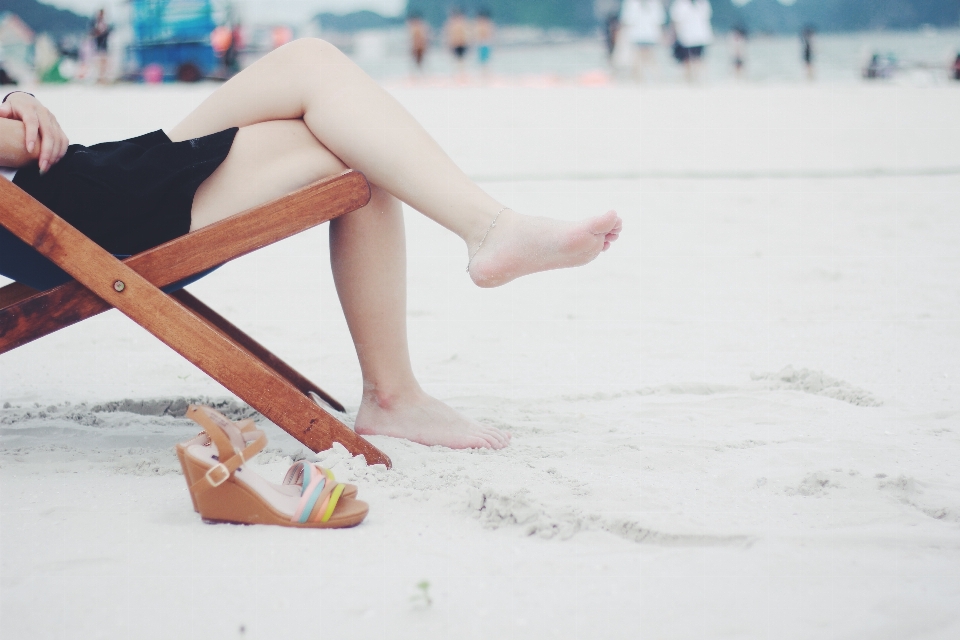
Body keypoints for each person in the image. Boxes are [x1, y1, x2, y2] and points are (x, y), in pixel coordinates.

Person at [0, 40, 622, 451]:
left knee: (313, 65)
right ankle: (401, 381)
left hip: (86, 186)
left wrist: (15, 97)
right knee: (357, 149)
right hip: (74, 213)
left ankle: (483, 243)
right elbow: (23, 148)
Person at [619, 0, 666, 82]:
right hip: (639, 35)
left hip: (647, 35)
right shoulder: (632, 3)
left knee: (642, 59)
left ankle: (652, 80)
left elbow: (626, 21)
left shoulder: (653, 3)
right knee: (642, 59)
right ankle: (644, 81)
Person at [669, 0, 712, 82]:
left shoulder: (681, 4)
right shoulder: (702, 3)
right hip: (695, 36)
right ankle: (696, 80)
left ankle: (692, 80)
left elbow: (676, 21)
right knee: (696, 59)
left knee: (689, 60)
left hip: (690, 37)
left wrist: (673, 35)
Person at [445, 8, 469, 78]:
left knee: (462, 60)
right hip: (455, 44)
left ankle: (461, 74)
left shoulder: (463, 23)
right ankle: (456, 74)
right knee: (455, 60)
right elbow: (449, 35)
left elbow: (466, 34)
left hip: (462, 44)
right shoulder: (451, 24)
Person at [89, 8, 111, 84]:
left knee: (104, 62)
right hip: (97, 45)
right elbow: (92, 33)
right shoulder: (95, 23)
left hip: (104, 45)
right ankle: (98, 78)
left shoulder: (105, 23)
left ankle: (103, 78)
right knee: (98, 62)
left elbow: (108, 33)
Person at [476, 8, 494, 78]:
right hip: (481, 44)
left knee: (485, 61)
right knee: (482, 61)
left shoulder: (487, 24)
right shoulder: (480, 24)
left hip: (485, 43)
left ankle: (485, 74)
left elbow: (490, 34)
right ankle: (483, 74)